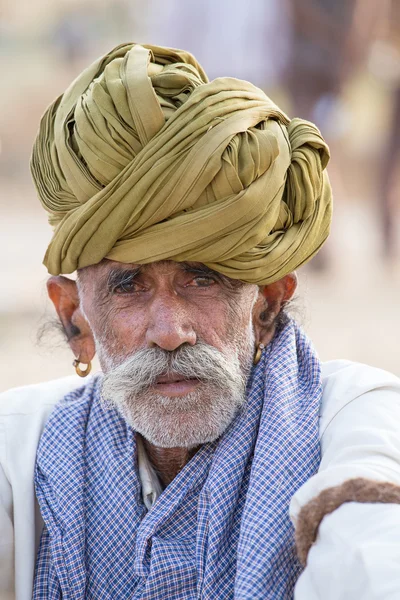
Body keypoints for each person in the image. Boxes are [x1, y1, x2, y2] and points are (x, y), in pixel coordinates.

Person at [1, 43, 400, 600]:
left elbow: (375, 561)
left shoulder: (358, 423)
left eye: (202, 279)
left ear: (266, 307)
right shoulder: (20, 449)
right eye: (129, 285)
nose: (170, 331)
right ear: (75, 319)